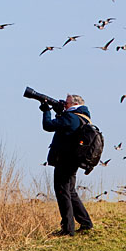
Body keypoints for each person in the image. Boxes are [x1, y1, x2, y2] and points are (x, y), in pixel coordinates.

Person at [40, 94, 94, 236]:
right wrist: (60, 112)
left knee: (62, 192)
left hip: (64, 160)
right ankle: (86, 223)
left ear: (74, 104)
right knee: (70, 191)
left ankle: (68, 229)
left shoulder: (71, 117)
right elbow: (66, 128)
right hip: (72, 161)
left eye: (66, 102)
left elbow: (48, 126)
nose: (64, 104)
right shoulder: (82, 117)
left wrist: (46, 110)